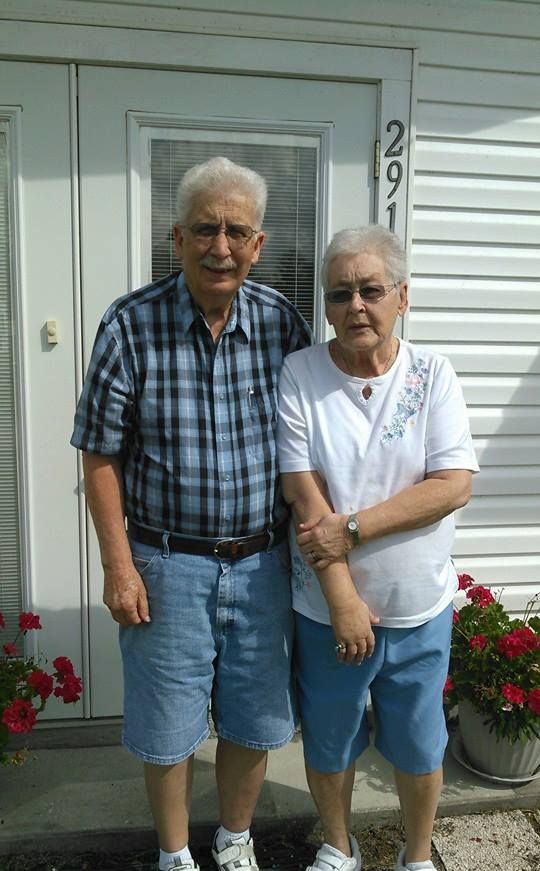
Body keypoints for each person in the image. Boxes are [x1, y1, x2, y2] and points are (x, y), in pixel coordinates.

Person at [71, 156, 312, 871]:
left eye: (238, 230)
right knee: (168, 724)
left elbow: (314, 439)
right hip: (166, 563)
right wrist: (119, 566)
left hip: (263, 560)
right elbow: (98, 455)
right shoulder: (130, 324)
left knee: (254, 716)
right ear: (176, 238)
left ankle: (234, 839)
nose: (222, 246)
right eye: (205, 229)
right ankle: (174, 853)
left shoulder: (281, 325)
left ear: (259, 244)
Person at [278, 225, 479, 871]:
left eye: (370, 289)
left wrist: (355, 527)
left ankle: (416, 855)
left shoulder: (433, 375)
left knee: (421, 744)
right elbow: (303, 494)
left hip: (418, 605)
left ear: (401, 296)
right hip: (327, 608)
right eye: (340, 294)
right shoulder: (301, 373)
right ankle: (340, 845)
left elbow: (451, 486)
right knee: (332, 738)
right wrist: (342, 599)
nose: (355, 306)